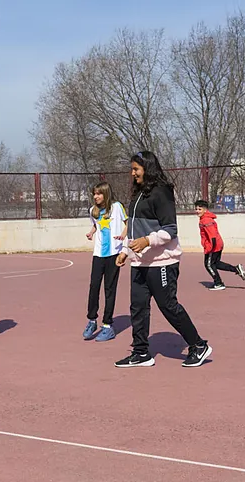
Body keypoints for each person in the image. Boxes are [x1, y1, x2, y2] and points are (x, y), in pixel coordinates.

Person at [114, 151, 211, 369]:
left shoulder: (162, 192)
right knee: (138, 308)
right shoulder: (137, 195)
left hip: (163, 263)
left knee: (168, 305)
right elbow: (133, 229)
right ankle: (140, 353)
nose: (133, 174)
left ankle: (198, 345)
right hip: (139, 263)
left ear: (147, 169)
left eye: (136, 169)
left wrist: (147, 240)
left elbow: (170, 230)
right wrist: (126, 251)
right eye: (132, 169)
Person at [83, 181, 126, 342]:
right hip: (98, 254)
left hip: (114, 254)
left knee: (110, 289)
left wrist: (123, 237)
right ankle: (92, 320)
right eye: (94, 194)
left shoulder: (117, 207)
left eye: (99, 194)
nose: (96, 197)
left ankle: (107, 325)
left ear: (106, 194)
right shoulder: (92, 211)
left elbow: (128, 224)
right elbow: (96, 224)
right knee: (94, 286)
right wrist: (91, 232)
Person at [194, 200, 245, 291]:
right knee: (216, 263)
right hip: (217, 244)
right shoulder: (205, 219)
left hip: (213, 245)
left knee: (208, 265)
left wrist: (211, 247)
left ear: (205, 210)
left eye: (200, 209)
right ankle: (236, 269)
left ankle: (218, 283)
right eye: (196, 209)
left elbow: (212, 235)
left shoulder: (205, 220)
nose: (197, 211)